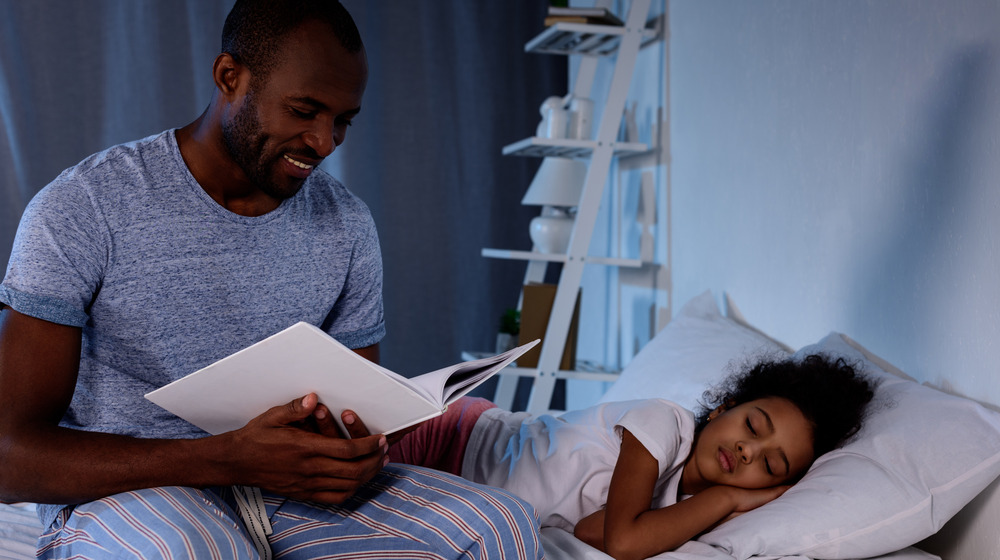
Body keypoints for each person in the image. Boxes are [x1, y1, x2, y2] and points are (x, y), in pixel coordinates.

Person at [0, 1, 542, 559]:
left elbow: (354, 411)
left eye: (343, 121)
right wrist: (228, 457)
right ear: (229, 77)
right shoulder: (84, 206)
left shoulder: (346, 223)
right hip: (133, 494)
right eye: (304, 110)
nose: (324, 142)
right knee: (194, 550)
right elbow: (9, 459)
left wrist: (351, 455)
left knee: (501, 524)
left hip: (285, 496)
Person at [391, 353, 876, 560]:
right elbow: (624, 542)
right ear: (725, 407)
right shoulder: (663, 423)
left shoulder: (675, 509)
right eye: (753, 426)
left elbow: (588, 532)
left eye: (770, 465)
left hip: (457, 492)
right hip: (450, 440)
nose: (748, 451)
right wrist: (726, 500)